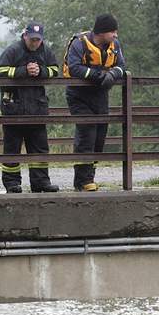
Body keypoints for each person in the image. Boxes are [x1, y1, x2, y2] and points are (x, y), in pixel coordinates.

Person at [0, 22, 60, 193]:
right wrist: (22, 71)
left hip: (37, 109)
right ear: (25, 36)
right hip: (14, 109)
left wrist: (41, 71)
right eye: (32, 39)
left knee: (39, 149)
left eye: (38, 40)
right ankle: (12, 184)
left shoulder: (45, 51)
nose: (35, 43)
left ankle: (41, 183)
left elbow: (55, 70)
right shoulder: (13, 50)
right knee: (12, 150)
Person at [63, 13, 126, 191]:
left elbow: (122, 65)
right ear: (101, 32)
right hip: (78, 95)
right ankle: (83, 181)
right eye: (112, 31)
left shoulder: (115, 45)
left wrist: (113, 74)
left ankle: (88, 177)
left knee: (99, 136)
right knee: (87, 133)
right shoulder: (79, 43)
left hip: (100, 95)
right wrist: (99, 76)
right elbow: (74, 67)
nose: (116, 35)